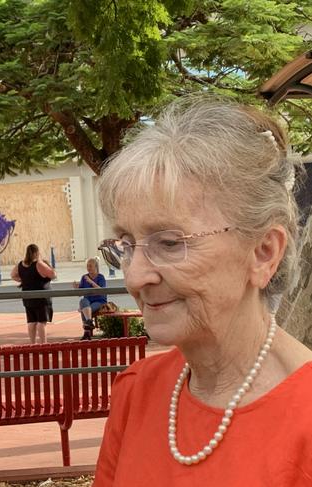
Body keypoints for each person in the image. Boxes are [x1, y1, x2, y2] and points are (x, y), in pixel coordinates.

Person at [93, 96, 312, 485]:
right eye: (126, 243)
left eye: (170, 242)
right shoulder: (137, 391)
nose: (136, 276)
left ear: (263, 253)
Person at [11, 244, 56, 344]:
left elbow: (13, 275)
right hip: (41, 296)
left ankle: (32, 344)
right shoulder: (38, 264)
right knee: (41, 322)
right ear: (36, 252)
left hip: (27, 296)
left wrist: (23, 279)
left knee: (31, 322)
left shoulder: (21, 265)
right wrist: (47, 265)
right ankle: (43, 344)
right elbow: (53, 274)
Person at [72, 257, 107, 340]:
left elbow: (101, 291)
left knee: (85, 309)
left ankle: (86, 332)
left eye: (90, 266)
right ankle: (89, 322)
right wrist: (76, 288)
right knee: (83, 302)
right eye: (87, 266)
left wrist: (91, 282)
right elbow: (79, 294)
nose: (88, 268)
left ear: (96, 267)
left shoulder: (101, 277)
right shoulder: (84, 277)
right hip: (87, 301)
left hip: (99, 301)